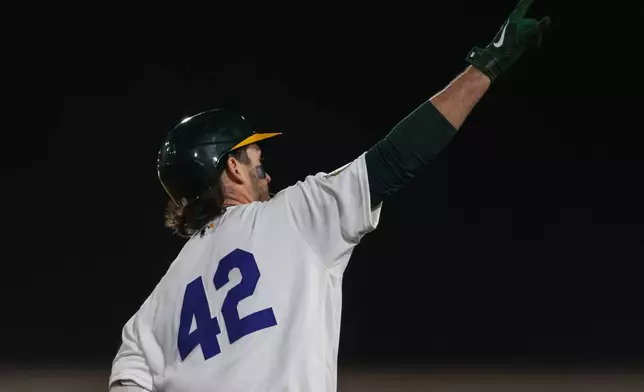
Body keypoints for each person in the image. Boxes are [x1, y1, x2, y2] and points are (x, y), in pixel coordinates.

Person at [109, 1, 550, 391]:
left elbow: (129, 375)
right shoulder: (294, 216)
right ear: (231, 167)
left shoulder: (161, 299)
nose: (260, 153)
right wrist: (487, 65)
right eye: (250, 149)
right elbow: (397, 158)